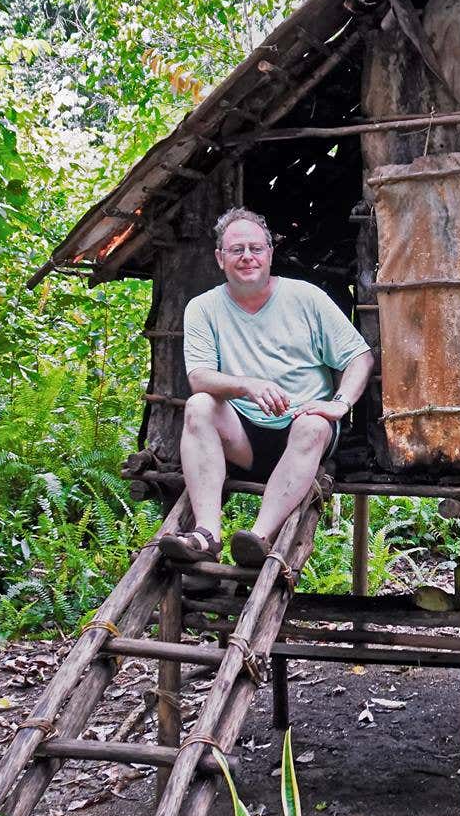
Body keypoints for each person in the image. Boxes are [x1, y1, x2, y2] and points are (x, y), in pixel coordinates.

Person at [159, 207, 374, 567]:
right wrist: (248, 386)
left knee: (313, 423)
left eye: (256, 249)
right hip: (243, 437)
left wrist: (340, 403)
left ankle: (258, 537)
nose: (247, 257)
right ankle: (206, 534)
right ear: (220, 258)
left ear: (270, 253)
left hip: (303, 432)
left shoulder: (306, 298)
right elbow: (199, 376)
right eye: (236, 249)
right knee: (198, 404)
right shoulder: (203, 308)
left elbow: (360, 357)